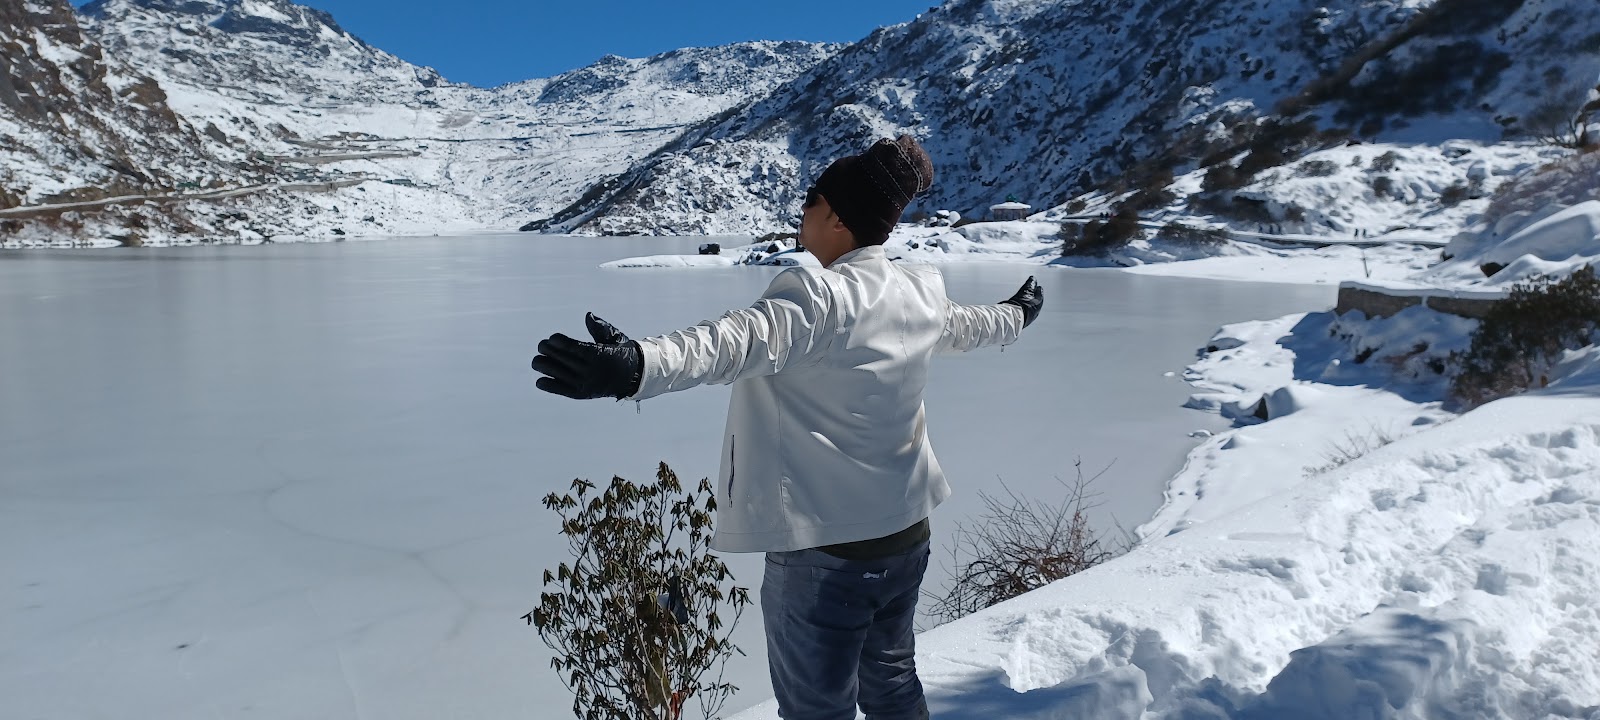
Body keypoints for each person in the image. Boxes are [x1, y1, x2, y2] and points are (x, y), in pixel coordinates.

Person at [531, 135, 1042, 720]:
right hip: (906, 533)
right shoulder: (918, 288)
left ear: (837, 218)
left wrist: (637, 367)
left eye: (809, 204)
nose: (800, 218)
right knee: (893, 684)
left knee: (815, 710)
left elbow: (732, 342)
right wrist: (1018, 316)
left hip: (827, 551)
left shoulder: (819, 296)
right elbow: (970, 325)